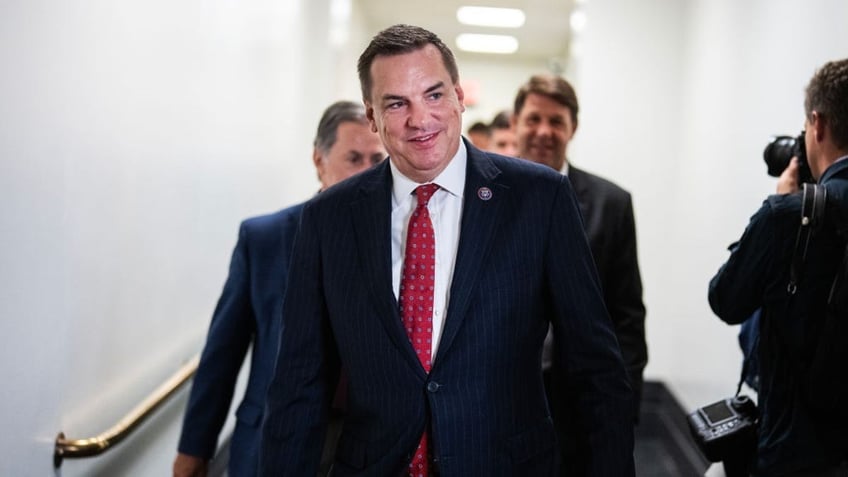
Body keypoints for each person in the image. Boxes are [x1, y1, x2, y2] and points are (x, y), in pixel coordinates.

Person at [259, 24, 634, 476]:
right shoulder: (329, 218)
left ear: (458, 96)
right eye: (397, 103)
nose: (420, 119)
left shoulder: (539, 199)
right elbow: (298, 384)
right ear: (373, 117)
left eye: (434, 95)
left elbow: (595, 369)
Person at [172, 100, 386, 477]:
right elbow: (223, 354)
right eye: (353, 158)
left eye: (376, 159)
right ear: (319, 161)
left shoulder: (404, 241)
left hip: (366, 444)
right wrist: (194, 449)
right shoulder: (266, 239)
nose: (367, 172)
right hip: (275, 438)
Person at [709, 58, 848, 477]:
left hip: (796, 452)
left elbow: (725, 300)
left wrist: (782, 204)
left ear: (817, 124)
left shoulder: (789, 216)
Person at [510, 73, 647, 466]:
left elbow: (627, 314)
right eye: (534, 118)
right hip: (497, 400)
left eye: (556, 121)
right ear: (516, 122)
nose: (544, 131)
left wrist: (624, 410)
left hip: (578, 404)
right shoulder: (479, 196)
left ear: (573, 128)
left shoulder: (611, 204)